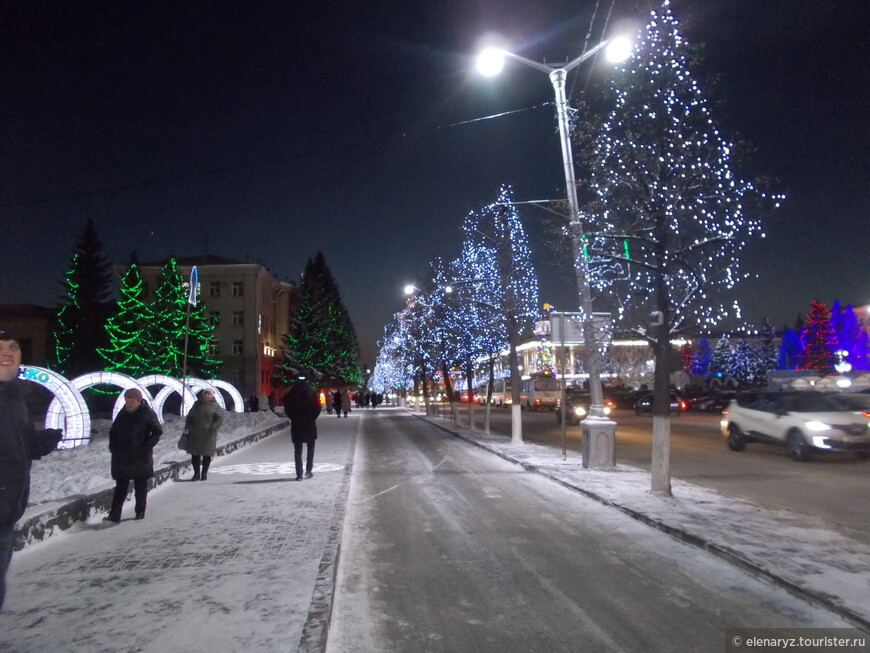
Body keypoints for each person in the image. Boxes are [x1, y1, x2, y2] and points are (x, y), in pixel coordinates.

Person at [0, 328, 62, 610]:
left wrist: (39, 443)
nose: (7, 352)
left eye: (12, 346)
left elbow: (15, 444)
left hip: (8, 509)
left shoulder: (16, 396)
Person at [106, 388, 162, 522]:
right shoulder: (122, 413)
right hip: (122, 457)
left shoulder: (147, 413)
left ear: (138, 400)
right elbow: (113, 432)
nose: (129, 403)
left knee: (140, 486)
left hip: (140, 456)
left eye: (132, 401)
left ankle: (140, 511)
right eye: (127, 401)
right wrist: (113, 447)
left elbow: (157, 431)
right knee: (120, 487)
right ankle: (114, 514)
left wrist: (147, 446)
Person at [283, 378, 321, 481]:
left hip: (297, 424)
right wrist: (312, 417)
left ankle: (299, 474)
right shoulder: (312, 392)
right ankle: (308, 470)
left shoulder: (292, 392)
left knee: (298, 450)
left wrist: (293, 417)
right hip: (309, 423)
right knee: (311, 447)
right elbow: (318, 407)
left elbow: (287, 407)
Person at [183, 389, 224, 481]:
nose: (207, 395)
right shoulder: (196, 405)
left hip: (209, 434)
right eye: (205, 393)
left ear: (212, 396)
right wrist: (189, 426)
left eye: (209, 394)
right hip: (195, 434)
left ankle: (204, 473)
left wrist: (213, 427)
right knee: (195, 454)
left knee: (207, 454)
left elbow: (220, 418)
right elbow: (189, 416)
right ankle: (196, 474)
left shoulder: (215, 406)